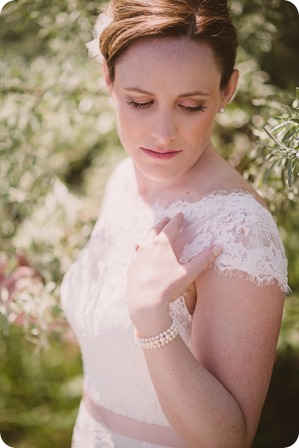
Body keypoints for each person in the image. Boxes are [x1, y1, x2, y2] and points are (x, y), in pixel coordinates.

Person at [60, 1, 289, 447]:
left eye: (190, 105)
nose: (162, 133)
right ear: (108, 80)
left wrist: (151, 317)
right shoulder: (125, 177)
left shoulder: (239, 230)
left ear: (227, 91)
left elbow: (228, 440)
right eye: (140, 102)